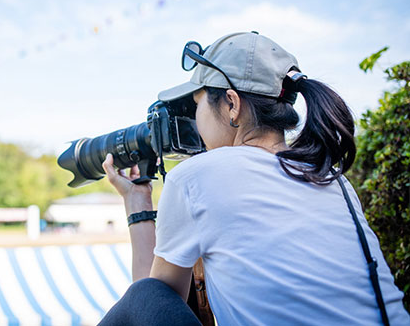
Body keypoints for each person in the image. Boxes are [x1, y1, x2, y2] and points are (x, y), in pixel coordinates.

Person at [98, 32, 410, 325]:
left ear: (231, 104)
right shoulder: (332, 179)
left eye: (197, 105)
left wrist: (136, 202)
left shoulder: (195, 179)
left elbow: (152, 308)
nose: (196, 120)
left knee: (142, 294)